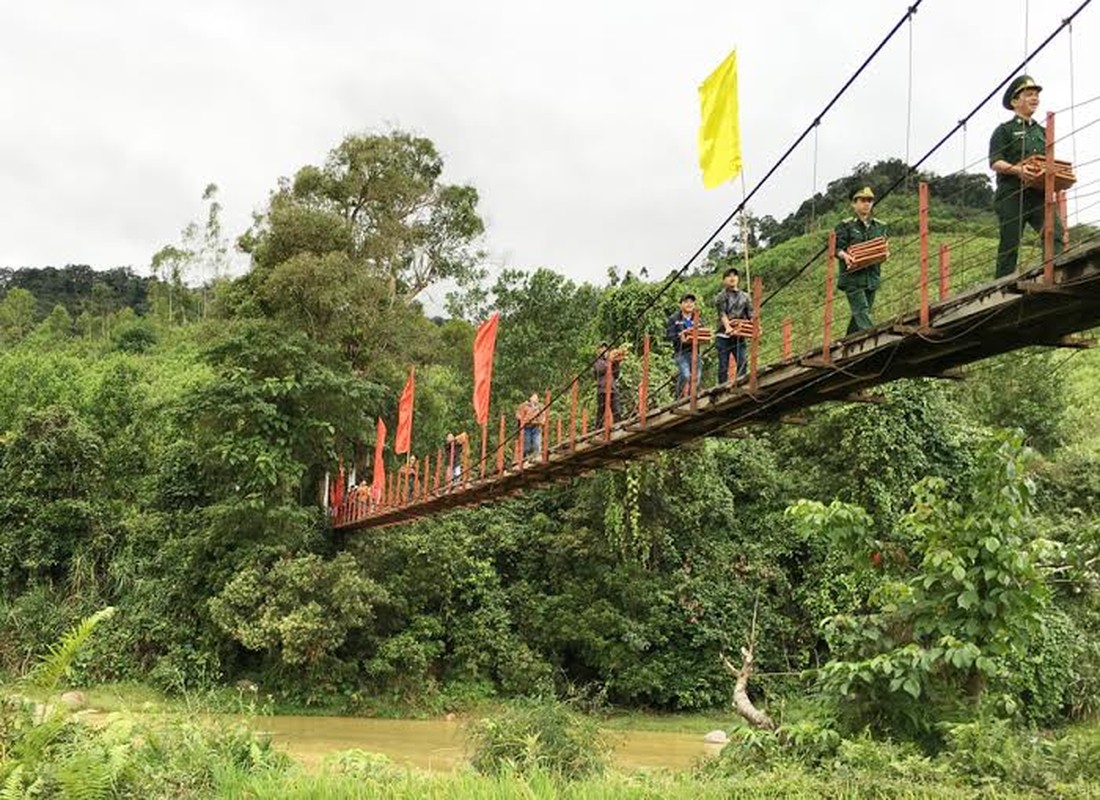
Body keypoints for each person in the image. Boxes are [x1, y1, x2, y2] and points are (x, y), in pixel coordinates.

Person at [989, 75, 1065, 278]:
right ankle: (1002, 284)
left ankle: (1054, 272)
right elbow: (995, 162)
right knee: (1011, 241)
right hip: (1012, 194)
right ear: (1015, 101)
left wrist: (1058, 177)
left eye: (1036, 95)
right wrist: (1017, 170)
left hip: (1038, 195)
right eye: (1029, 94)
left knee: (1055, 233)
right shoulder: (1004, 130)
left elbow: (1049, 162)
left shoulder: (1042, 132)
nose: (1035, 99)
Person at [835, 187, 888, 334]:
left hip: (871, 277)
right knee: (862, 310)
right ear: (854, 204)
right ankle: (873, 336)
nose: (866, 204)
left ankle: (848, 341)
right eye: (863, 200)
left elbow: (883, 246)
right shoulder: (846, 225)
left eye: (869, 201)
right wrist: (844, 255)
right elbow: (837, 248)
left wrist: (885, 253)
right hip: (853, 278)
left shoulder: (880, 226)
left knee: (860, 313)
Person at [714, 268, 753, 383]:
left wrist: (754, 327)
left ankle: (740, 382)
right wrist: (728, 327)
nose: (732, 278)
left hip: (738, 335)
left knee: (743, 361)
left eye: (735, 275)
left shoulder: (745, 297)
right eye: (729, 276)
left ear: (738, 279)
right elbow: (722, 313)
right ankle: (722, 387)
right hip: (723, 335)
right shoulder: (721, 296)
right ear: (724, 280)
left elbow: (750, 314)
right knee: (723, 365)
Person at [666, 293, 700, 398]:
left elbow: (702, 331)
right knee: (685, 375)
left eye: (691, 302)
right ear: (681, 304)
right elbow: (669, 335)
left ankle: (691, 398)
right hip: (681, 353)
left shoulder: (697, 318)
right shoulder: (674, 319)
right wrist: (679, 336)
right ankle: (679, 397)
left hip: (695, 352)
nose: (689, 304)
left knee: (696, 377)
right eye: (686, 302)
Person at [594, 343, 623, 428]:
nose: (604, 350)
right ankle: (597, 429)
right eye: (602, 348)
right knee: (601, 411)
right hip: (602, 389)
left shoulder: (611, 361)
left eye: (605, 349)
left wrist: (617, 363)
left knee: (616, 409)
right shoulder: (598, 361)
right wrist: (610, 361)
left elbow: (616, 375)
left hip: (612, 388)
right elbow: (600, 369)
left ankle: (618, 426)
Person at [516, 394, 543, 459]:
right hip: (526, 427)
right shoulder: (524, 406)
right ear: (530, 398)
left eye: (536, 398)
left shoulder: (539, 406)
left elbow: (543, 416)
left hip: (536, 426)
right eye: (534, 397)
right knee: (526, 445)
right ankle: (525, 457)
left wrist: (541, 421)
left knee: (536, 444)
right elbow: (518, 415)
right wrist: (524, 419)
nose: (536, 399)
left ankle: (536, 457)